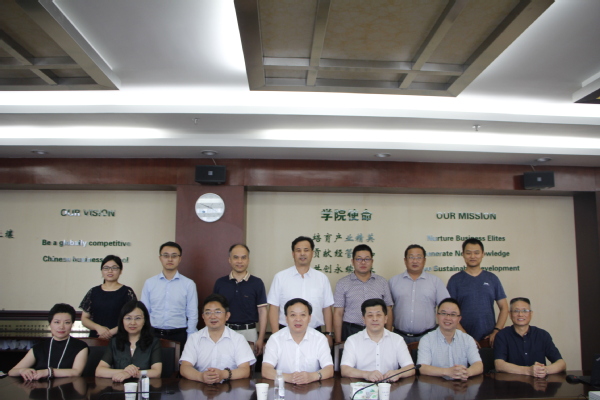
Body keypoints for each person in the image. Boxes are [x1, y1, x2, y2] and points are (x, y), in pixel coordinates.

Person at [267, 236, 335, 346]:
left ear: (312, 253)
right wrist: (276, 335)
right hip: (285, 332)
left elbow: (327, 308)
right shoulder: (280, 277)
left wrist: (329, 333)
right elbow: (274, 307)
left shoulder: (322, 278)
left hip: (315, 333)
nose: (302, 253)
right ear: (293, 254)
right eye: (298, 250)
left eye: (306, 250)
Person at [180, 294, 256, 384]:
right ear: (203, 316)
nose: (213, 316)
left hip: (230, 388)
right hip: (201, 386)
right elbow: (184, 368)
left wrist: (223, 374)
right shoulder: (194, 338)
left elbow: (245, 370)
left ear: (227, 316)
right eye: (208, 312)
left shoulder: (238, 339)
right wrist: (201, 376)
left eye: (218, 312)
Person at [447, 238, 508, 345]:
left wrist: (497, 330)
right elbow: (449, 312)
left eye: (476, 253)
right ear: (463, 254)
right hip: (462, 339)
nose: (472, 256)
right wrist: (465, 336)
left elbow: (504, 307)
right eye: (468, 253)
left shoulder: (492, 278)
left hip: (488, 340)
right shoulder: (455, 280)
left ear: (483, 254)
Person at [141, 241, 198, 350]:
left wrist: (190, 336)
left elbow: (192, 313)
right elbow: (144, 312)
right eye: (166, 256)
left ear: (180, 259)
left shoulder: (188, 284)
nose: (170, 259)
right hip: (153, 334)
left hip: (179, 335)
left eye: (174, 256)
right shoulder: (150, 283)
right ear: (160, 258)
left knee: (178, 361)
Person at [262, 298, 334, 384]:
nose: (298, 319)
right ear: (286, 318)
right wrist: (288, 377)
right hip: (283, 387)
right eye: (293, 315)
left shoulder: (320, 339)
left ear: (309, 318)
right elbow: (266, 370)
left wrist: (312, 376)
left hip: (312, 387)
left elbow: (329, 369)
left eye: (303, 315)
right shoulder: (275, 339)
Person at [341, 298, 415, 382]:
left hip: (390, 386)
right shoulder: (352, 341)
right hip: (362, 386)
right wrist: (366, 374)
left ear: (386, 318)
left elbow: (410, 368)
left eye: (378, 315)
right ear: (364, 319)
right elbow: (345, 370)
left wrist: (398, 373)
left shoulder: (397, 339)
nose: (375, 319)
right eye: (370, 315)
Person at [9, 303, 88, 380]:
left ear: (72, 325)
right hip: (40, 387)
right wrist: (22, 371)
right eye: (57, 322)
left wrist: (49, 372)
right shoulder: (39, 347)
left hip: (68, 387)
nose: (61, 327)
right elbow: (12, 372)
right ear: (50, 324)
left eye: (67, 322)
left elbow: (76, 372)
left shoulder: (80, 346)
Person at [213, 244, 268, 355]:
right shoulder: (220, 283)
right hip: (225, 331)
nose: (240, 261)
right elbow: (215, 311)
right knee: (225, 362)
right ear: (229, 260)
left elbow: (262, 311)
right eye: (236, 257)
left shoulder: (257, 283)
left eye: (243, 257)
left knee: (248, 364)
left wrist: (261, 338)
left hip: (249, 332)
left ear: (248, 260)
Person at [389, 244, 450, 343]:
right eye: (411, 257)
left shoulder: (435, 282)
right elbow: (387, 309)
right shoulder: (393, 282)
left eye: (418, 257)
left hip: (428, 337)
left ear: (424, 260)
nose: (415, 261)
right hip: (399, 337)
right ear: (405, 260)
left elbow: (446, 308)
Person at [334, 244, 393, 343]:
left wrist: (389, 336)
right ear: (352, 261)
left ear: (372, 261)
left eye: (367, 259)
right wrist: (338, 341)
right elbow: (338, 313)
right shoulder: (343, 283)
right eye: (359, 259)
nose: (363, 262)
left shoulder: (382, 282)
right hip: (351, 330)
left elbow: (388, 310)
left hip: (377, 329)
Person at [494, 297, 566, 378]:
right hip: (512, 383)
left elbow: (561, 363)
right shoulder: (502, 335)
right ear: (510, 314)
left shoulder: (542, 335)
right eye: (516, 311)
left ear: (531, 314)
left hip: (539, 383)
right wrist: (528, 371)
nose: (520, 314)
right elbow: (499, 365)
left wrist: (544, 370)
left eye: (525, 311)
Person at [95, 300, 162, 382]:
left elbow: (156, 372)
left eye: (138, 318)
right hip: (119, 387)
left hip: (144, 387)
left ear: (145, 321)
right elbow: (99, 371)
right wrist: (124, 372)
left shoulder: (154, 342)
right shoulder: (115, 342)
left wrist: (131, 374)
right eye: (128, 318)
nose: (133, 322)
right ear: (122, 320)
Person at [417, 298, 483, 380]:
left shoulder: (467, 339)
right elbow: (422, 368)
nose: (448, 318)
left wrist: (466, 373)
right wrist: (447, 372)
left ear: (459, 319)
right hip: (435, 385)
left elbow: (478, 365)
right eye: (443, 313)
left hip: (461, 385)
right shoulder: (427, 340)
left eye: (453, 314)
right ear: (437, 316)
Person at [79, 255, 137, 338]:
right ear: (102, 271)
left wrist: (110, 332)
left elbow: (132, 318)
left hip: (119, 337)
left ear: (120, 271)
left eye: (114, 268)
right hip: (97, 337)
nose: (110, 271)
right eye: (106, 268)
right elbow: (84, 319)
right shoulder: (93, 291)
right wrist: (98, 327)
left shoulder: (127, 292)